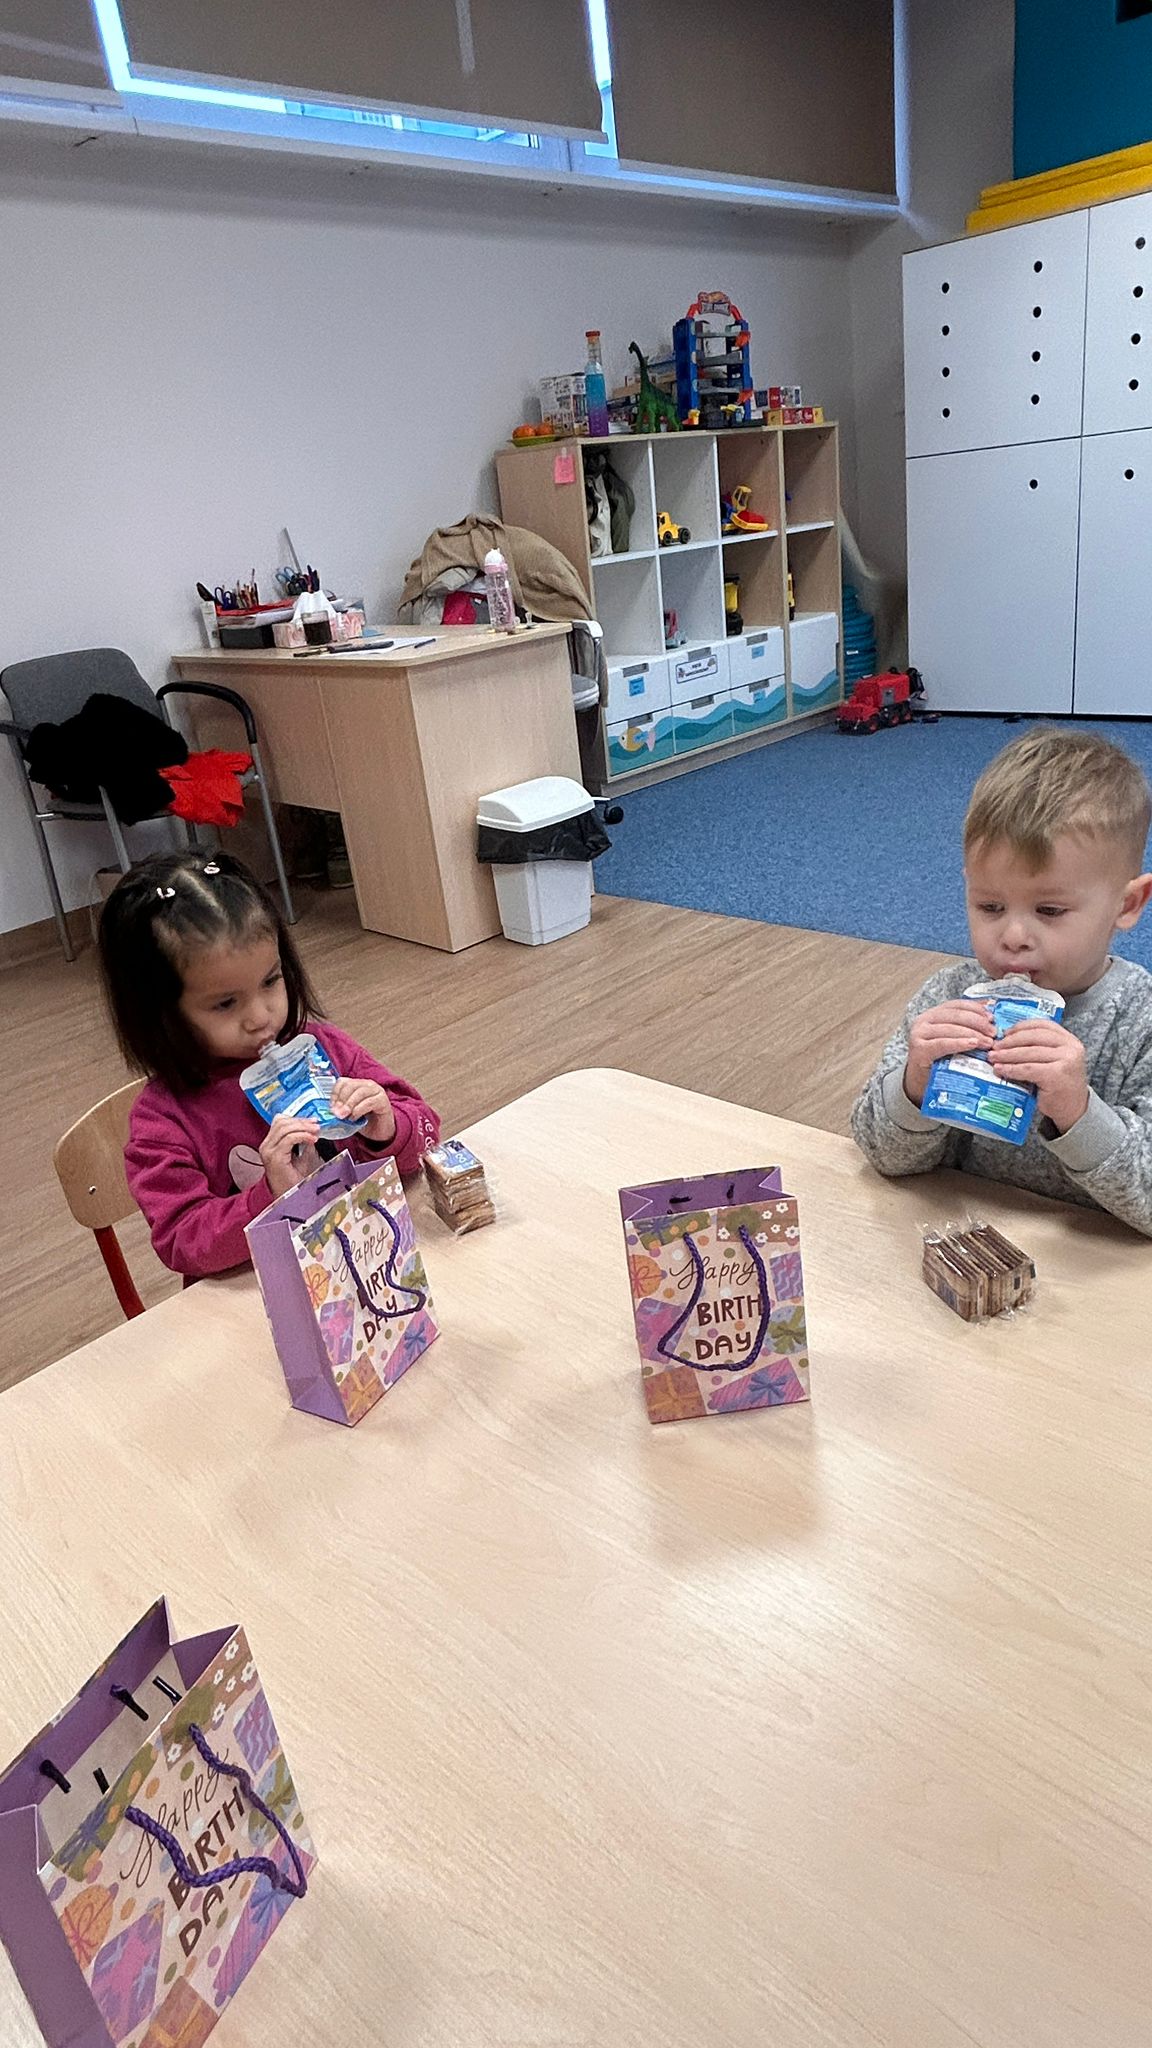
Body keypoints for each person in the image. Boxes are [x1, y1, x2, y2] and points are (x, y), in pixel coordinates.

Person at [851, 727, 1152, 1236]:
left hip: (1091, 1264)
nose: (1012, 937)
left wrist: (1079, 1112)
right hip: (959, 1238)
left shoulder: (1140, 1020)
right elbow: (881, 1153)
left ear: (1127, 905)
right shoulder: (949, 997)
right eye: (990, 906)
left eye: (1049, 910)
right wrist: (916, 1086)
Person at [98, 850, 440, 1278]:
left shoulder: (324, 1049)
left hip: (369, 1259)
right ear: (160, 1017)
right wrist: (271, 1197)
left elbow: (427, 1133)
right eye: (226, 1003)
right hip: (260, 1291)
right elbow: (183, 1242)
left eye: (271, 981)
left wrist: (387, 1128)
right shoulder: (164, 1120)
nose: (260, 1017)